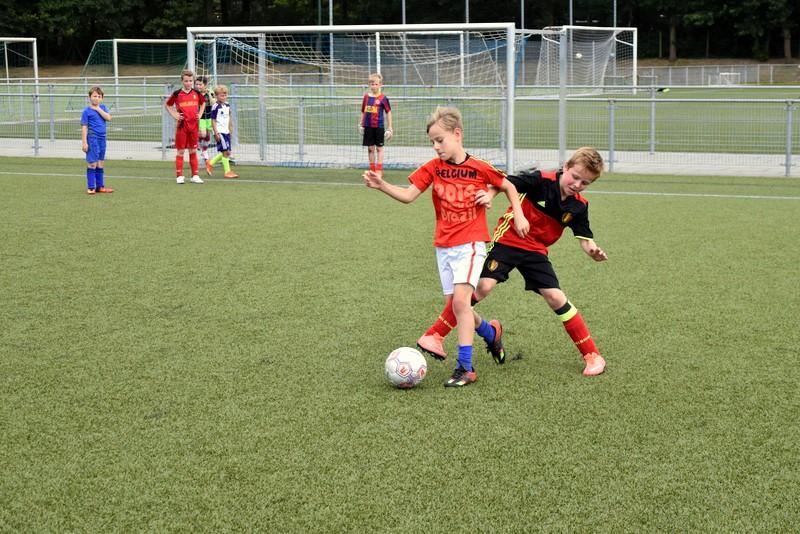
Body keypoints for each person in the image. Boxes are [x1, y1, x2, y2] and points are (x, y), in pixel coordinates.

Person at [363, 106, 529, 387]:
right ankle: (490, 333)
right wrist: (382, 186)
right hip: (444, 246)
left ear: (457, 134)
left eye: (440, 140)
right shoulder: (433, 168)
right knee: (457, 307)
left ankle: (465, 367)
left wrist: (517, 212)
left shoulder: (478, 167)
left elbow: (508, 185)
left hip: (471, 243)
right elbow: (408, 195)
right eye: (432, 142)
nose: (436, 146)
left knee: (462, 303)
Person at [417, 147, 609, 377]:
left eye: (585, 182)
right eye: (575, 177)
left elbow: (585, 239)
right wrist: (488, 194)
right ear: (566, 167)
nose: (577, 184)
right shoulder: (540, 180)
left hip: (537, 252)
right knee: (482, 287)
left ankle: (592, 355)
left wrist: (593, 251)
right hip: (508, 240)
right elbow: (504, 181)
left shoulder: (579, 206)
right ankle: (435, 335)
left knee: (556, 296)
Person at [165, 70, 205, 184]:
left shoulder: (196, 93)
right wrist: (174, 114)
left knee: (193, 151)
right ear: (182, 81)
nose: (188, 83)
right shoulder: (177, 94)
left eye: (190, 81)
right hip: (182, 127)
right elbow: (167, 104)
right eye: (186, 81)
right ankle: (179, 176)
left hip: (194, 127)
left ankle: (195, 175)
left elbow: (203, 103)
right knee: (180, 151)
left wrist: (200, 114)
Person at [80, 86, 113, 195]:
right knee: (92, 163)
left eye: (99, 96)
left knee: (100, 163)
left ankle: (100, 186)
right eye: (94, 96)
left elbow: (108, 118)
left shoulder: (103, 107)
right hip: (92, 138)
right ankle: (91, 187)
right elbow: (84, 127)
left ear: (102, 98)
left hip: (102, 138)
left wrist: (98, 109)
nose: (96, 98)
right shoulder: (86, 111)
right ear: (90, 97)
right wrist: (84, 142)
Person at [359, 73, 392, 175]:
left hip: (379, 127)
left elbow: (388, 112)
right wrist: (360, 124)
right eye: (372, 84)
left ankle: (379, 170)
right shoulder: (366, 97)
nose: (374, 86)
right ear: (369, 85)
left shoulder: (383, 98)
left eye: (376, 84)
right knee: (370, 149)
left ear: (380, 85)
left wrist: (390, 127)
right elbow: (363, 111)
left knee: (379, 148)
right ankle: (372, 170)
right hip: (368, 127)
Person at [205, 84, 238, 179]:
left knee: (227, 152)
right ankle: (227, 172)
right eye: (221, 95)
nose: (223, 97)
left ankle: (210, 163)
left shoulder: (227, 105)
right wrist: (215, 133)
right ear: (216, 96)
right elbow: (213, 120)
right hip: (220, 132)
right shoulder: (215, 106)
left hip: (226, 131)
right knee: (226, 152)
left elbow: (228, 117)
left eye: (225, 95)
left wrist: (230, 128)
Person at [195, 76, 215, 161]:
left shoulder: (210, 92)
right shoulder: (195, 93)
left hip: (209, 116)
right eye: (197, 84)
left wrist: (210, 94)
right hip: (201, 117)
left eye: (200, 84)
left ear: (205, 85)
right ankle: (197, 142)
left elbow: (214, 102)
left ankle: (205, 150)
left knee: (208, 133)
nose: (198, 86)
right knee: (203, 134)